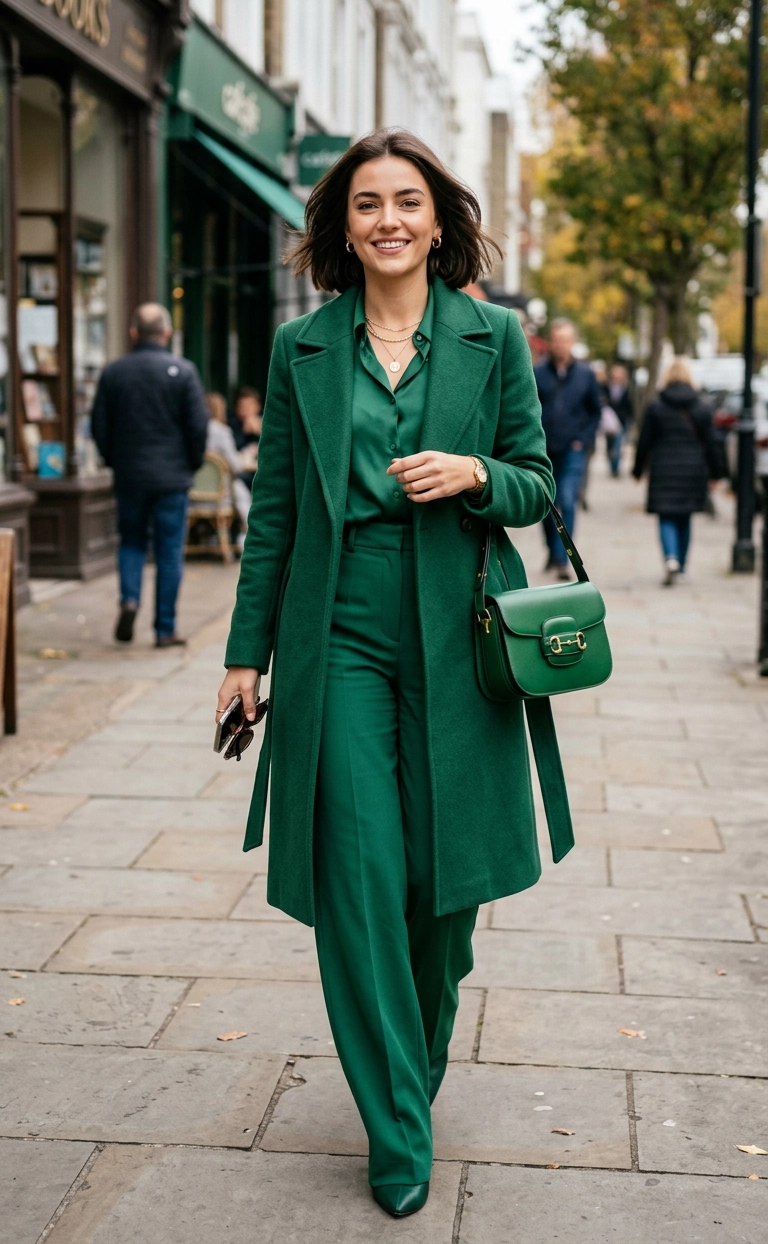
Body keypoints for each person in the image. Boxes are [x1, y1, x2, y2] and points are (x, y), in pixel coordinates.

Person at [216, 130, 558, 1218]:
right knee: (359, 875)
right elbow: (272, 510)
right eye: (367, 203)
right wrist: (243, 654)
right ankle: (397, 1125)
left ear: (438, 217)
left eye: (407, 200)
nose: (389, 219)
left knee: (440, 895)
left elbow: (539, 485)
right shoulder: (304, 348)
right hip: (340, 632)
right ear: (342, 225)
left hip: (458, 634)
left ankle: (410, 1067)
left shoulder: (493, 336)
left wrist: (473, 473)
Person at [91, 303, 208, 646]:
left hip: (130, 476)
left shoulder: (114, 373)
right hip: (172, 478)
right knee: (169, 551)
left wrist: (114, 460)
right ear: (166, 333)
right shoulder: (183, 371)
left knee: (131, 542)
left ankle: (130, 599)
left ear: (132, 333)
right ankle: (164, 628)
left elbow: (100, 426)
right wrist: (192, 463)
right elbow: (197, 426)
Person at [633, 356, 725, 585]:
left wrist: (638, 469)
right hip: (693, 469)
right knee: (685, 517)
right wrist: (716, 473)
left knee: (666, 515)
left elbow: (644, 441)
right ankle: (681, 566)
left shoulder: (656, 405)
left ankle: (670, 558)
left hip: (663, 467)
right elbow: (712, 443)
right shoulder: (701, 406)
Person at [534, 319, 602, 578]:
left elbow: (595, 411)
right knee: (545, 503)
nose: (561, 345)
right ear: (551, 342)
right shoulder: (538, 373)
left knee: (568, 499)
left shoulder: (585, 375)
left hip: (573, 448)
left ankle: (564, 557)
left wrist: (582, 439)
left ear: (572, 343)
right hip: (544, 449)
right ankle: (553, 550)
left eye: (565, 340)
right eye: (557, 340)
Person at [205, 392, 254, 544]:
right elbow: (236, 466)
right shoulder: (221, 431)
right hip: (219, 496)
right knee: (240, 487)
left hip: (193, 494)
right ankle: (247, 532)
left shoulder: (191, 429)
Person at [602, 363, 634, 477]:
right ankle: (612, 464)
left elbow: (630, 406)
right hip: (609, 422)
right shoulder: (606, 387)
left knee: (617, 445)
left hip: (622, 421)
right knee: (610, 445)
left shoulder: (627, 388)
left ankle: (615, 468)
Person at [230, 387, 262, 489]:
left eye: (248, 406)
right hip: (239, 472)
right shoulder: (231, 423)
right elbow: (231, 448)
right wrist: (243, 431)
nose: (244, 410)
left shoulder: (266, 423)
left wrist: (260, 432)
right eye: (241, 406)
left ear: (257, 406)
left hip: (259, 471)